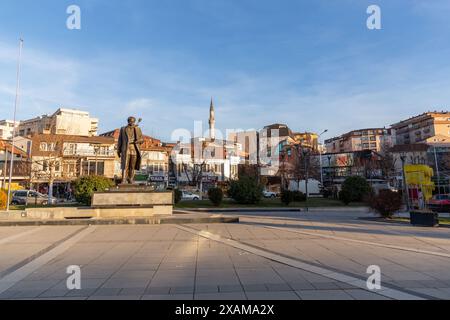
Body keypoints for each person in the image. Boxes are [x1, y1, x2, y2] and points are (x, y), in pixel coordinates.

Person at [117, 116, 144, 184]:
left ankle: (130, 179)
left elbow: (142, 139)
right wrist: (118, 150)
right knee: (125, 165)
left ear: (134, 122)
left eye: (133, 121)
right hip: (125, 149)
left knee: (132, 166)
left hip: (134, 149)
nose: (131, 123)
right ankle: (123, 179)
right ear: (128, 121)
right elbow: (120, 140)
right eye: (130, 121)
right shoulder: (123, 129)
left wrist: (137, 141)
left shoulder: (137, 129)